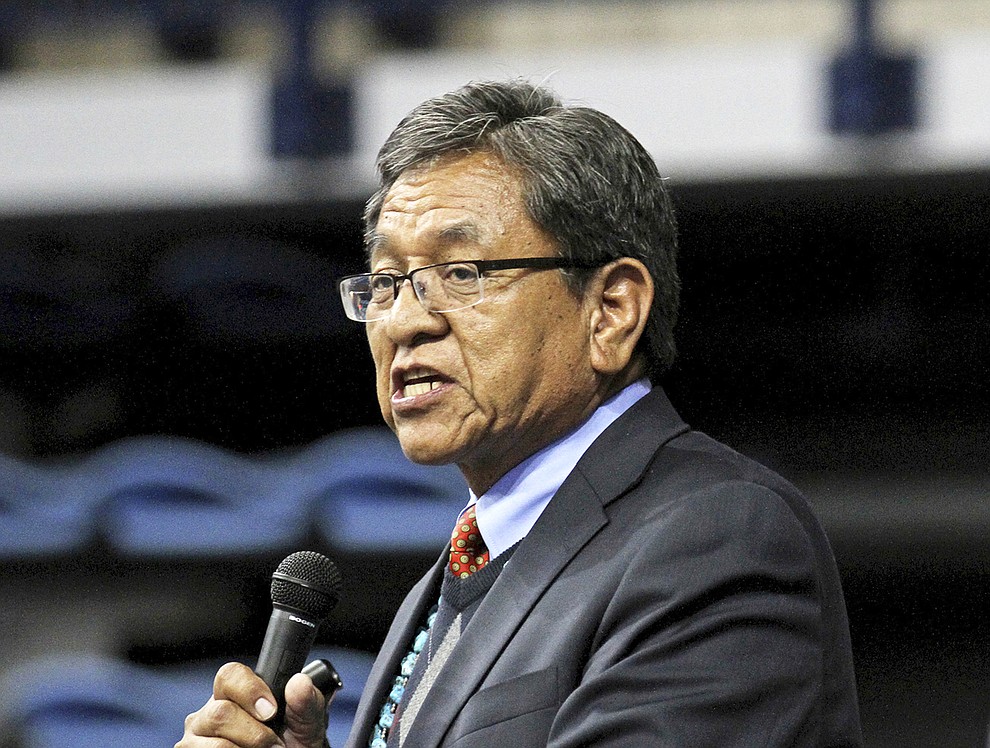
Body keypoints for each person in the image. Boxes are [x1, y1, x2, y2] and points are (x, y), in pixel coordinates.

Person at [178, 79, 863, 747]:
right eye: (386, 282)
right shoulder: (462, 563)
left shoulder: (717, 537)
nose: (406, 321)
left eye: (463, 273)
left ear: (611, 312)